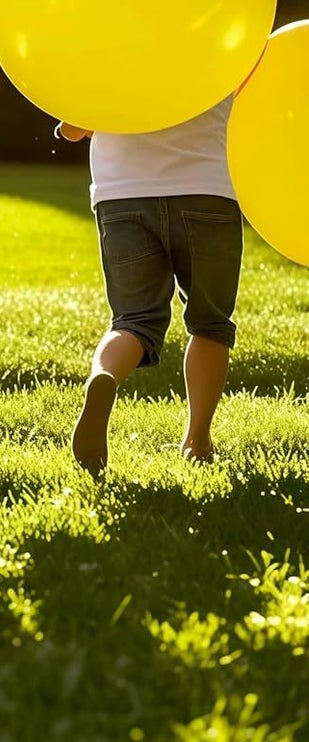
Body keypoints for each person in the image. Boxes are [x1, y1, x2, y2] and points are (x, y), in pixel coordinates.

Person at [57, 99, 241, 473]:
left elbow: (72, 128)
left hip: (122, 192)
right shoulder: (218, 56)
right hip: (206, 187)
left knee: (133, 321)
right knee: (210, 323)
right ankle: (197, 441)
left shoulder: (109, 60)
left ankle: (105, 375)